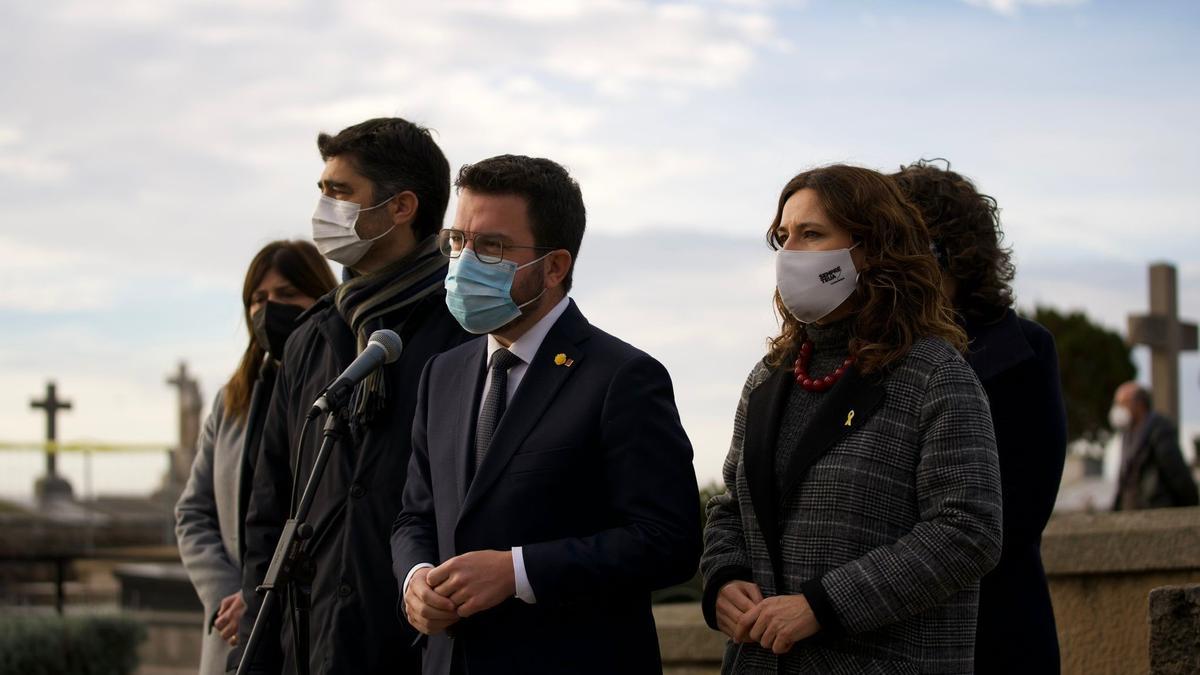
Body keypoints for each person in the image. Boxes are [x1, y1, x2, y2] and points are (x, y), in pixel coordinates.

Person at [391, 154, 701, 675]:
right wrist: (415, 578)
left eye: (491, 246)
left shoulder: (622, 377)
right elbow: (416, 514)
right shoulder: (441, 373)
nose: (464, 262)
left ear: (555, 266)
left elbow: (669, 540)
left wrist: (517, 572)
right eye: (458, 242)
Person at [701, 164, 1003, 673]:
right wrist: (724, 577)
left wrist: (823, 605)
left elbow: (968, 529)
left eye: (811, 234)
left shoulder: (934, 374)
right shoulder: (768, 378)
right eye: (783, 237)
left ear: (870, 248)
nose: (790, 252)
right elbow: (731, 506)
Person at [239, 118, 472, 675]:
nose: (324, 207)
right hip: (314, 641)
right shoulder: (311, 338)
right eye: (322, 191)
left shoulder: (465, 330)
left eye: (340, 192)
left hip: (423, 642)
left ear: (401, 207)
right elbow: (268, 513)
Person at [894, 159, 1067, 674]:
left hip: (994, 629)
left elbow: (1017, 509)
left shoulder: (1023, 351)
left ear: (951, 253)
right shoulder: (876, 351)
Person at [175, 240, 336, 675]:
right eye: (258, 299)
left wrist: (261, 592)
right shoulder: (233, 401)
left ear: (319, 295)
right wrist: (229, 591)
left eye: (287, 295)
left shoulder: (342, 385)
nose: (269, 309)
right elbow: (194, 511)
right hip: (233, 629)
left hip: (308, 623)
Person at [1110, 381, 1199, 510]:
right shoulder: (1128, 433)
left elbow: (1175, 471)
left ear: (1139, 403)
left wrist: (1192, 506)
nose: (1118, 408)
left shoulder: (1159, 429)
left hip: (1156, 508)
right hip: (1132, 512)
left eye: (1123, 403)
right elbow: (1125, 479)